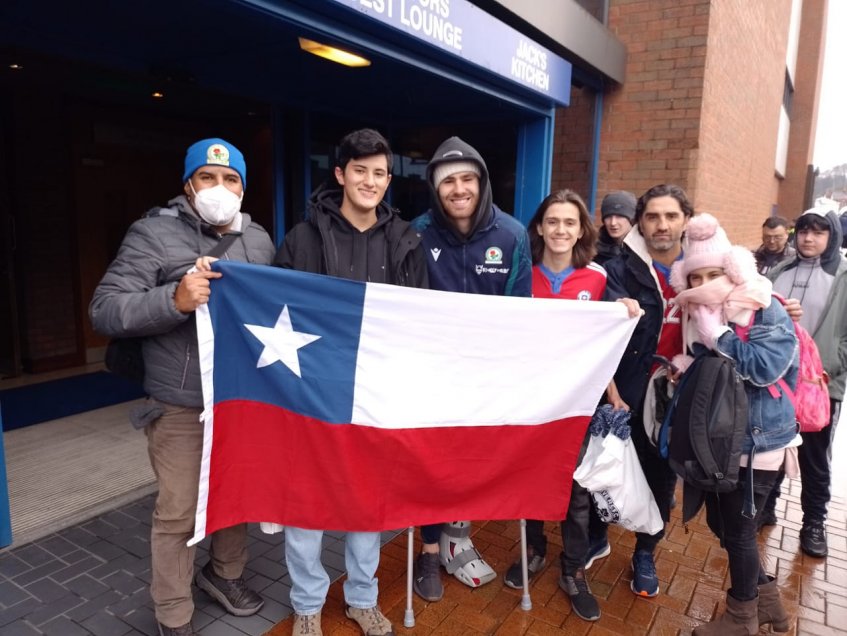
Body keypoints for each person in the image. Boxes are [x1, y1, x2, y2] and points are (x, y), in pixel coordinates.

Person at [89, 138, 272, 636]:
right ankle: (173, 612)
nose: (219, 188)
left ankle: (224, 574)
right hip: (179, 402)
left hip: (239, 399)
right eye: (208, 178)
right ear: (188, 185)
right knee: (178, 512)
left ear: (243, 187)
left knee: (235, 495)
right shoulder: (152, 234)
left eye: (230, 179)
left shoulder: (259, 241)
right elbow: (105, 308)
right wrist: (174, 298)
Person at [274, 128, 427, 636]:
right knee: (306, 506)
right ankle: (308, 605)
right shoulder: (302, 238)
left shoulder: (407, 242)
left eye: (379, 172)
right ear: (340, 174)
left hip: (376, 396)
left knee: (369, 504)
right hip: (311, 393)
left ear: (389, 180)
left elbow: (423, 318)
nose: (369, 180)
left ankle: (362, 597)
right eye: (359, 170)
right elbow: (273, 308)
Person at [501, 189, 639, 621]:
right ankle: (534, 549)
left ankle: (574, 570)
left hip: (577, 403)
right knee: (530, 479)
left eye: (570, 223)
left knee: (576, 490)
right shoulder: (521, 276)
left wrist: (623, 315)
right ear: (540, 227)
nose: (560, 230)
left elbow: (604, 341)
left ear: (581, 230)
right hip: (531, 399)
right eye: (553, 221)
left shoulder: (597, 277)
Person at [409, 136, 532, 602]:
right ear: (435, 189)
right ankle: (427, 551)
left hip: (486, 375)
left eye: (467, 179)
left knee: (471, 462)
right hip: (433, 374)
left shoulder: (512, 234)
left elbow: (521, 310)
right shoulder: (416, 231)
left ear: (480, 183)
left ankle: (458, 537)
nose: (458, 189)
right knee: (431, 465)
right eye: (448, 182)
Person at [669, 213, 797, 635]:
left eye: (715, 273)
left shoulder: (762, 307)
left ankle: (742, 617)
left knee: (739, 531)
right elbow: (713, 373)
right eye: (697, 276)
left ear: (734, 271)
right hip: (722, 442)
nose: (706, 283)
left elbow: (764, 369)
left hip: (759, 443)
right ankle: (771, 606)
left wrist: (719, 337)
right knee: (721, 525)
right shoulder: (698, 312)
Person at [594, 184, 694, 597]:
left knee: (660, 479)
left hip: (678, 397)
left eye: (671, 216)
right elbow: (599, 331)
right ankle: (595, 535)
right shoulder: (621, 268)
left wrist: (776, 304)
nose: (662, 224)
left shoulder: (706, 268)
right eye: (653, 216)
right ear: (641, 222)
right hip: (629, 389)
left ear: (685, 220)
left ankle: (644, 552)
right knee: (606, 466)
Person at [766, 207, 847, 558]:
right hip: (777, 384)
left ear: (832, 237)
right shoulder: (781, 270)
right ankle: (765, 504)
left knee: (814, 459)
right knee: (771, 449)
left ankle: (814, 522)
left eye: (818, 232)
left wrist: (829, 366)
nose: (808, 238)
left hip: (818, 385)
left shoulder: (843, 276)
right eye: (803, 231)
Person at [595, 190, 637, 265]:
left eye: (619, 216)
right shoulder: (593, 251)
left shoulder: (645, 249)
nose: (613, 223)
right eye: (608, 217)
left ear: (631, 219)